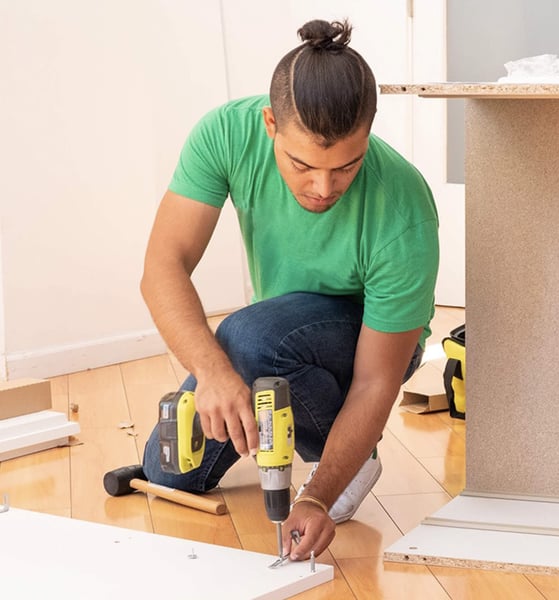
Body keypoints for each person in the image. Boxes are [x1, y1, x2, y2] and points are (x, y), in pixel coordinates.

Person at [140, 19, 439, 561]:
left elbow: (376, 381)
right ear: (271, 124)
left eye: (346, 166)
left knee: (252, 339)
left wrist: (320, 495)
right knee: (169, 468)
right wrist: (212, 375)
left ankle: (347, 457)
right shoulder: (226, 134)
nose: (324, 187)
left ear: (368, 135)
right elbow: (163, 267)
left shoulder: (403, 209)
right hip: (280, 326)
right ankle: (268, 400)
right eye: (303, 165)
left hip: (370, 335)